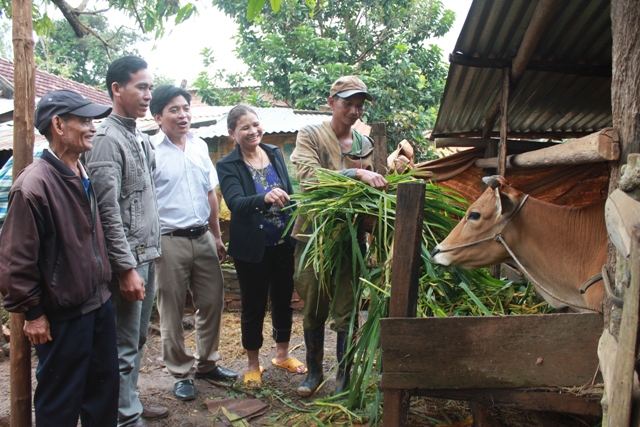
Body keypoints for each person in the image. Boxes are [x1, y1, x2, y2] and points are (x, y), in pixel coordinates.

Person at [0, 90, 117, 426]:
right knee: (60, 403)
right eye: (84, 120)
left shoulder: (81, 172)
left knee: (103, 395)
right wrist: (32, 312)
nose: (92, 128)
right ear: (58, 125)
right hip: (63, 317)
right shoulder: (33, 185)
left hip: (98, 304)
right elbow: (14, 261)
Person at [290, 76, 388, 397]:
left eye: (359, 105)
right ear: (332, 102)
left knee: (347, 308)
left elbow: (373, 194)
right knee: (314, 305)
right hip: (313, 238)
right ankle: (314, 372)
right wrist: (356, 173)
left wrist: (377, 231)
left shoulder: (365, 145)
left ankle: (343, 376)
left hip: (351, 240)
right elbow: (307, 175)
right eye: (348, 103)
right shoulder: (311, 134)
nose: (355, 110)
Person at [83, 56, 166, 427]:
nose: (149, 94)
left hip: (147, 255)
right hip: (128, 261)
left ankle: (129, 402)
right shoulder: (106, 140)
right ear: (117, 89)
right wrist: (126, 268)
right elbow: (107, 213)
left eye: (150, 87)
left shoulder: (138, 136)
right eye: (141, 87)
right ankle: (123, 418)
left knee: (137, 342)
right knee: (122, 346)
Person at [149, 85, 238, 401]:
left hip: (202, 236)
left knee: (212, 301)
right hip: (168, 240)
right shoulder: (150, 150)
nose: (182, 114)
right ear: (158, 116)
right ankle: (180, 372)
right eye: (174, 109)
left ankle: (207, 363)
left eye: (185, 108)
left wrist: (216, 235)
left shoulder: (199, 147)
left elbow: (210, 194)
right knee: (171, 309)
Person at [217, 105, 307, 388]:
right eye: (244, 127)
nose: (252, 131)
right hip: (252, 249)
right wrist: (264, 197)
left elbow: (289, 191)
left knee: (283, 300)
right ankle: (253, 364)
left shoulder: (275, 153)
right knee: (254, 306)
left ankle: (281, 355)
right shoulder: (228, 165)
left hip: (282, 242)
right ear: (232, 133)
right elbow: (235, 203)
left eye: (255, 124)